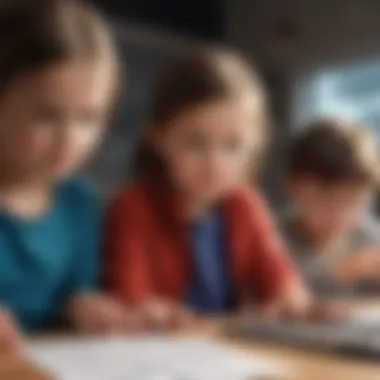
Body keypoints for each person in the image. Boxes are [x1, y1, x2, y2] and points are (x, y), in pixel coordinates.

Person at [105, 47, 312, 331]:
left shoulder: (245, 203)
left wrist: (289, 295)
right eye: (195, 143)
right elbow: (130, 297)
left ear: (255, 146)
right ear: (157, 139)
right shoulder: (133, 206)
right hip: (161, 352)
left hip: (223, 348)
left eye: (233, 146)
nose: (215, 164)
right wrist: (148, 312)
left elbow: (277, 273)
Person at [0, 0, 130, 351]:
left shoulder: (80, 202)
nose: (69, 141)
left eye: (89, 118)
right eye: (46, 116)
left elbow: (76, 291)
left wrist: (84, 306)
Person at [281, 117, 380, 297]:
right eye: (326, 200)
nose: (339, 214)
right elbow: (272, 295)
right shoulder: (271, 238)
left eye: (353, 202)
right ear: (293, 187)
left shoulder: (368, 236)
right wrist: (340, 272)